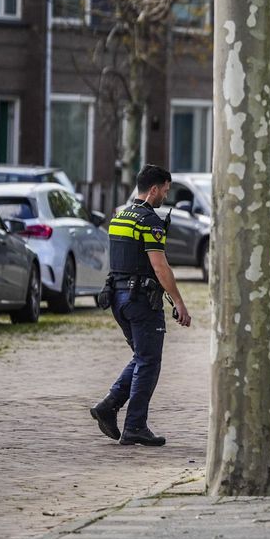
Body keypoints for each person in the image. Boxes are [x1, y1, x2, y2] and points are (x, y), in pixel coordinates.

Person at [89, 164, 191, 447]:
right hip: (141, 302)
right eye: (166, 191)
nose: (165, 198)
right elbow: (160, 267)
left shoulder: (120, 217)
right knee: (149, 362)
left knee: (141, 358)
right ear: (154, 189)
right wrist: (180, 303)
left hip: (118, 300)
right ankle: (135, 425)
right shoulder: (149, 221)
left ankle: (109, 406)